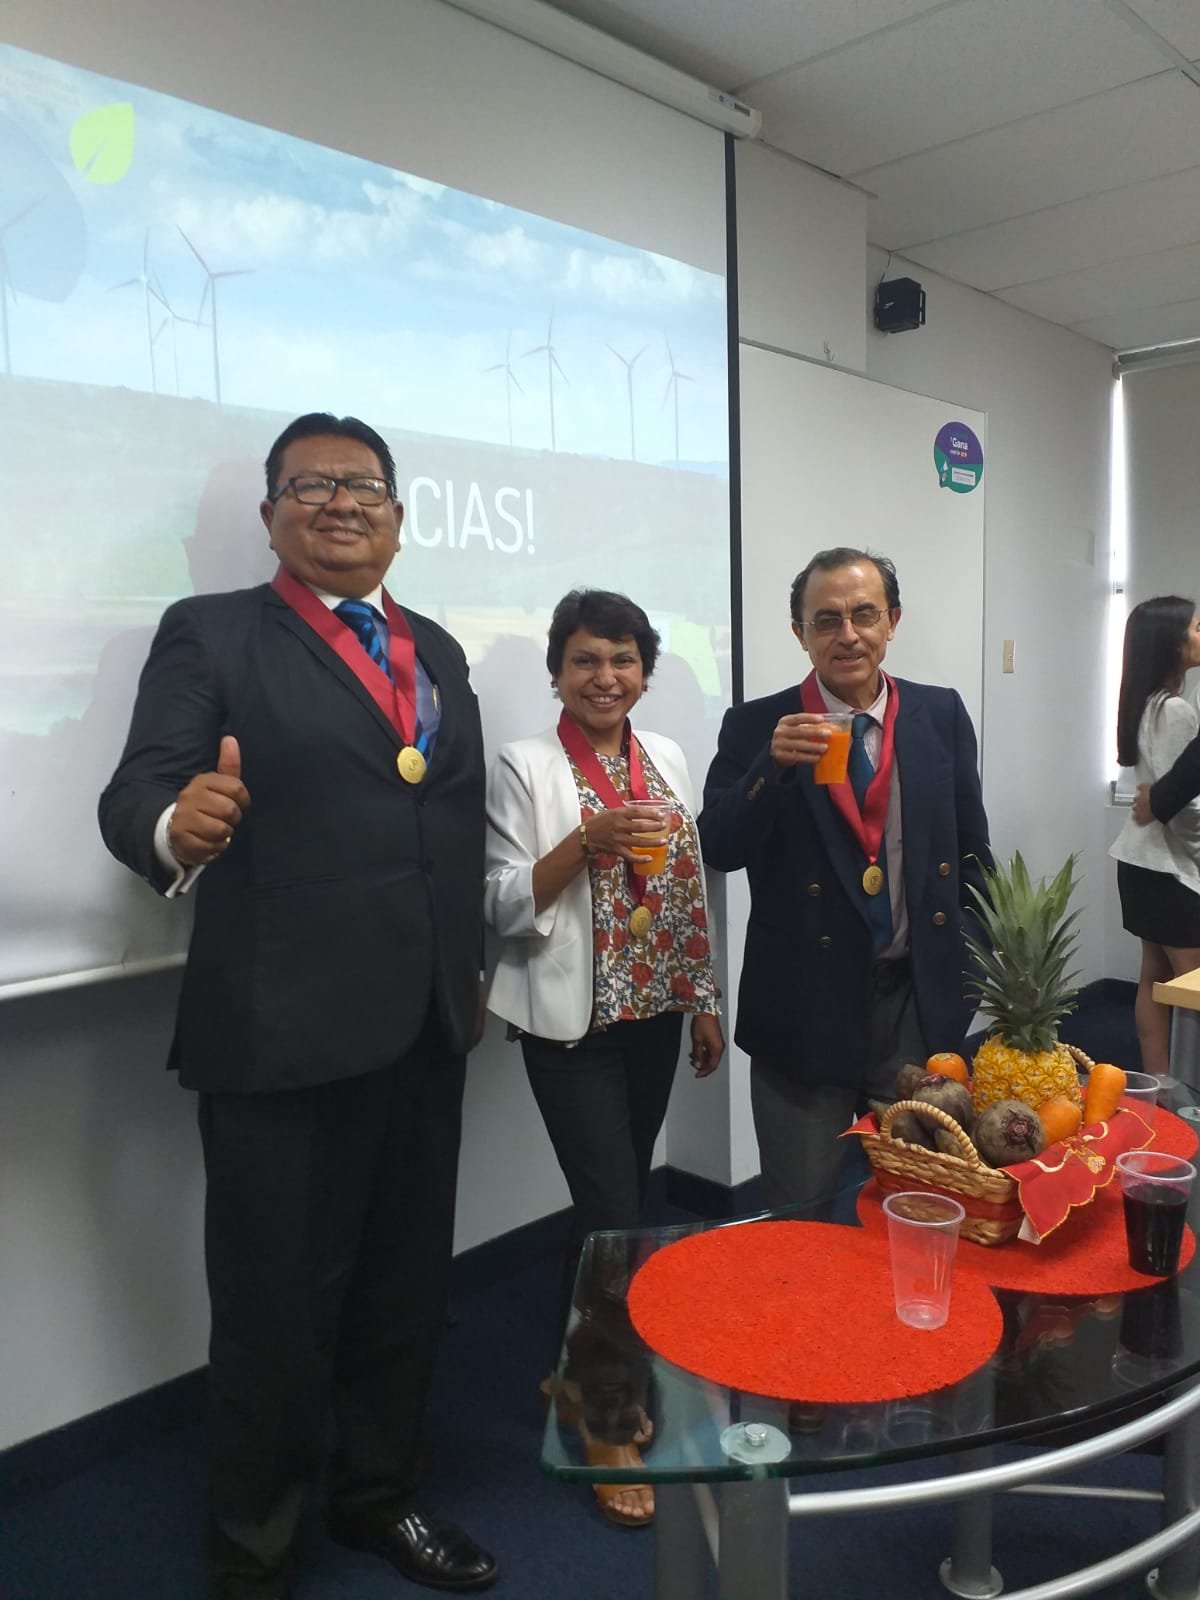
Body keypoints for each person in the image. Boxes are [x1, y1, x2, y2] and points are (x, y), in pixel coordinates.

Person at [98, 413, 496, 1600]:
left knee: (405, 1292)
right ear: (272, 513)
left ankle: (379, 1496)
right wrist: (175, 825)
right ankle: (255, 1553)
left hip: (424, 1028)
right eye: (310, 484)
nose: (340, 502)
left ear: (398, 517)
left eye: (363, 484)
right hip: (281, 1038)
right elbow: (135, 792)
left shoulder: (438, 649)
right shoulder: (211, 631)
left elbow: (440, 820)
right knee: (274, 1314)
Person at [484, 588, 724, 1527]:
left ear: (645, 673)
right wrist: (584, 842)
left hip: (654, 1013)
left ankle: (576, 1369)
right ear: (557, 672)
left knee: (611, 1213)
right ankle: (609, 1423)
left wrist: (703, 1000)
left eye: (623, 659)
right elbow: (501, 902)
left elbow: (687, 890)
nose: (605, 677)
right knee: (619, 1222)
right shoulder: (526, 764)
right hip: (571, 1026)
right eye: (585, 659)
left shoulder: (665, 755)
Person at [698, 546, 990, 1212]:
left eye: (864, 614)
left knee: (924, 1203)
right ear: (799, 633)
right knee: (803, 1212)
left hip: (915, 1003)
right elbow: (718, 845)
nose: (848, 634)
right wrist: (770, 769)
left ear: (892, 621)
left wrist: (968, 971)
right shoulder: (755, 725)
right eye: (826, 620)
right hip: (805, 1009)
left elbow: (974, 855)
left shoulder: (940, 714)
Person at [1110, 597, 1200, 1074]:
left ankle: (1158, 1090)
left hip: (1140, 864)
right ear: (1173, 644)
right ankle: (1183, 1095)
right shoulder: (1176, 711)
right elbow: (1185, 808)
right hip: (1171, 870)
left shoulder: (1144, 705)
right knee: (1191, 986)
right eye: (1197, 628)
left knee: (1154, 978)